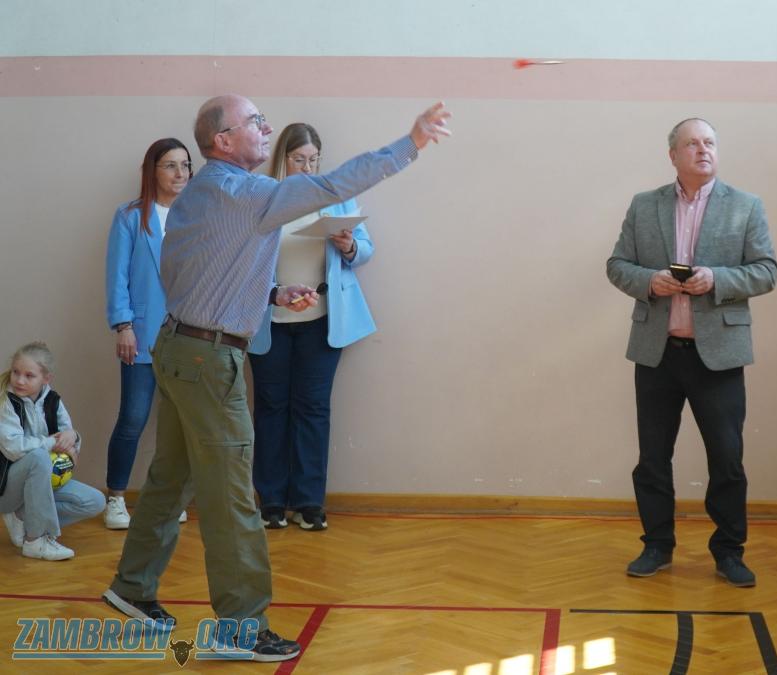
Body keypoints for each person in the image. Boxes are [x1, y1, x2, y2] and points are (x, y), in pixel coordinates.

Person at [102, 94, 451, 662]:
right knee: (232, 495)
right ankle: (240, 627)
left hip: (181, 349)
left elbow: (198, 272)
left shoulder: (204, 192)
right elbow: (330, 186)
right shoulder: (246, 192)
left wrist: (269, 293)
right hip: (207, 361)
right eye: (255, 122)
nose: (266, 129)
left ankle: (132, 587)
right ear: (223, 140)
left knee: (170, 478)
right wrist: (409, 144)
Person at [606, 118, 777, 588]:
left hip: (719, 355)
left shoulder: (745, 206)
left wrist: (716, 279)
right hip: (657, 353)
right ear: (673, 155)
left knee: (727, 459)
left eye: (710, 143)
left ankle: (729, 552)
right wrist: (650, 281)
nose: (703, 150)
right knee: (652, 458)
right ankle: (656, 545)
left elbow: (767, 270)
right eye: (692, 144)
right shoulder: (645, 205)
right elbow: (617, 265)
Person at [249, 123, 376, 532]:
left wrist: (349, 246)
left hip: (322, 321)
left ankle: (308, 502)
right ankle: (271, 500)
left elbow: (366, 249)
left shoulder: (335, 197)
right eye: (299, 159)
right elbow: (243, 259)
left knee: (313, 409)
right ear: (282, 159)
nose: (307, 168)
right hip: (269, 320)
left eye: (313, 160)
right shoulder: (263, 198)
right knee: (271, 408)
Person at [103, 138, 194, 530]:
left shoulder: (198, 216)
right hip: (141, 334)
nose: (180, 173)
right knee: (133, 418)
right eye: (170, 165)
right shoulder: (130, 217)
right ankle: (115, 499)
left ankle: (169, 499)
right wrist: (123, 326)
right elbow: (117, 277)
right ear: (152, 171)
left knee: (179, 425)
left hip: (187, 337)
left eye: (185, 165)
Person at [0, 342, 105, 561]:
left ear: (46, 379)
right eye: (16, 372)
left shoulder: (53, 401)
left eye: (29, 375)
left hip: (38, 482)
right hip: (6, 488)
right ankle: (35, 540)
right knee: (38, 456)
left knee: (95, 501)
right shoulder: (5, 402)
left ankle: (24, 518)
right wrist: (50, 443)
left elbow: (67, 440)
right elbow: (13, 448)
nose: (20, 380)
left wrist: (74, 437)